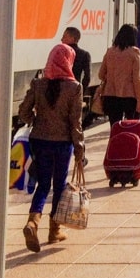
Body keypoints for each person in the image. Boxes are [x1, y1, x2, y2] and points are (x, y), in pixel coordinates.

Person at [18, 43, 85, 253]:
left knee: (43, 184)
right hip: (63, 143)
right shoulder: (74, 88)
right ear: (68, 61)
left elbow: (23, 112)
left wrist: (35, 121)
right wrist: (79, 148)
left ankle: (33, 222)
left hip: (40, 140)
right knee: (59, 185)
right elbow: (75, 122)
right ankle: (54, 230)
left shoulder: (38, 84)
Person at [98, 24, 140, 126]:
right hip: (129, 96)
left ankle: (115, 142)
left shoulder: (110, 51)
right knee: (131, 127)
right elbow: (137, 78)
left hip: (110, 95)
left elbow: (101, 74)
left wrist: (112, 77)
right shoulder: (135, 52)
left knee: (114, 128)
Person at [61, 27, 91, 93]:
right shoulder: (84, 54)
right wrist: (80, 92)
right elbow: (87, 77)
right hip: (75, 90)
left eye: (64, 36)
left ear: (72, 39)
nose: (61, 39)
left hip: (60, 91)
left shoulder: (60, 53)